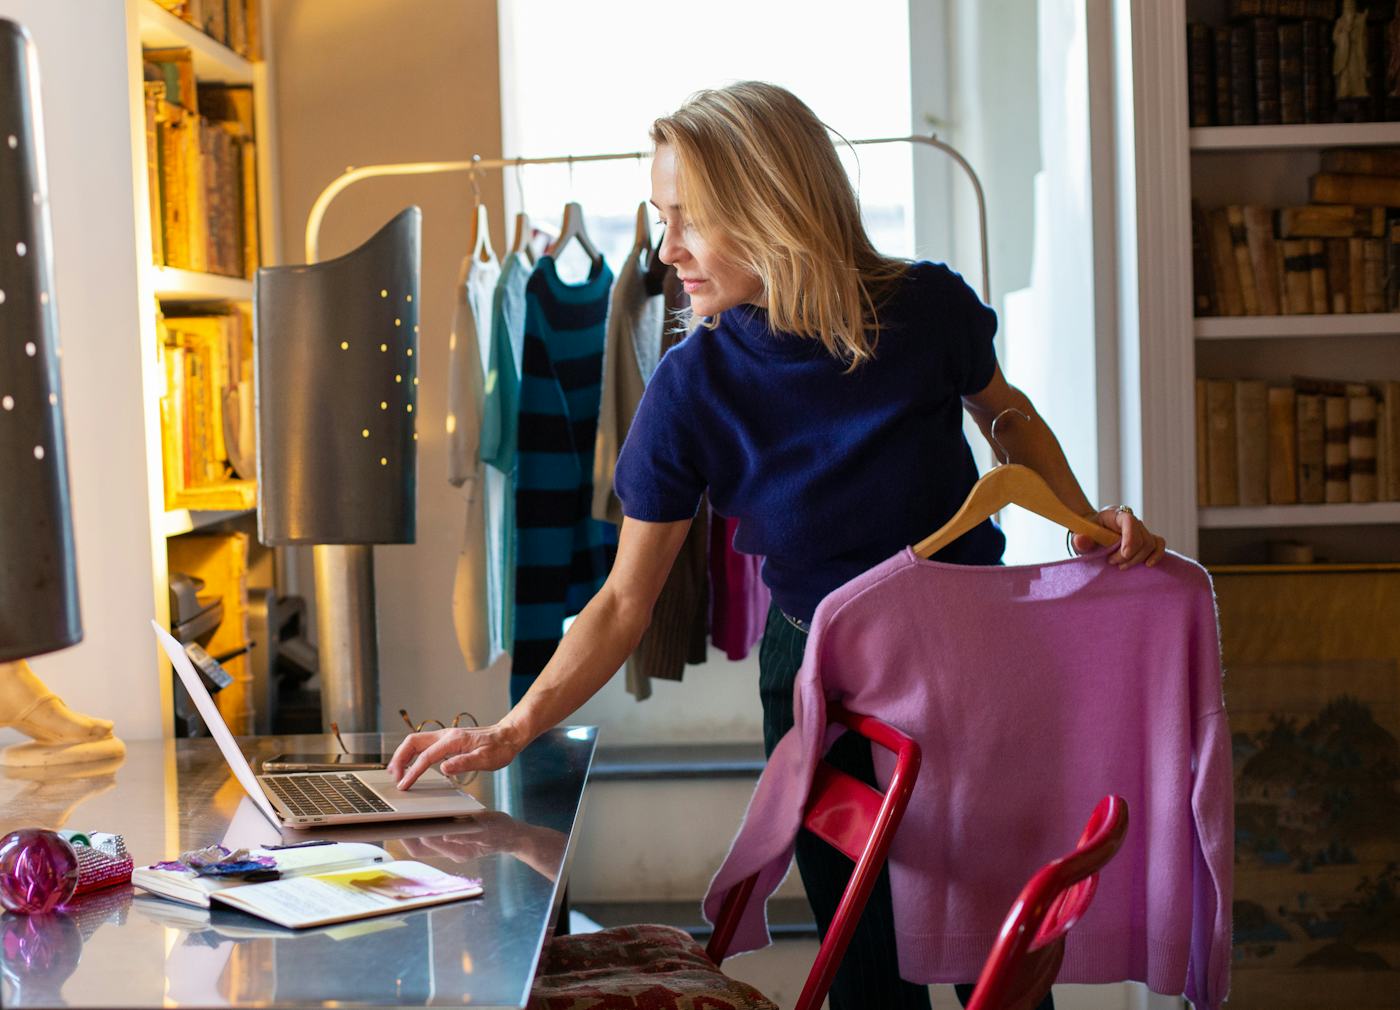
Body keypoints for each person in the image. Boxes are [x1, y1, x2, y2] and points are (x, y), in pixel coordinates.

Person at [389, 81, 1167, 1010]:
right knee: (873, 961)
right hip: (824, 679)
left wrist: (1083, 518)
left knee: (995, 952)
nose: (667, 248)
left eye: (689, 220)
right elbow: (622, 604)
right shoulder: (692, 387)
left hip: (976, 663)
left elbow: (1008, 415)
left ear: (773, 210)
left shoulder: (928, 307)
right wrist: (511, 729)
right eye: (660, 217)